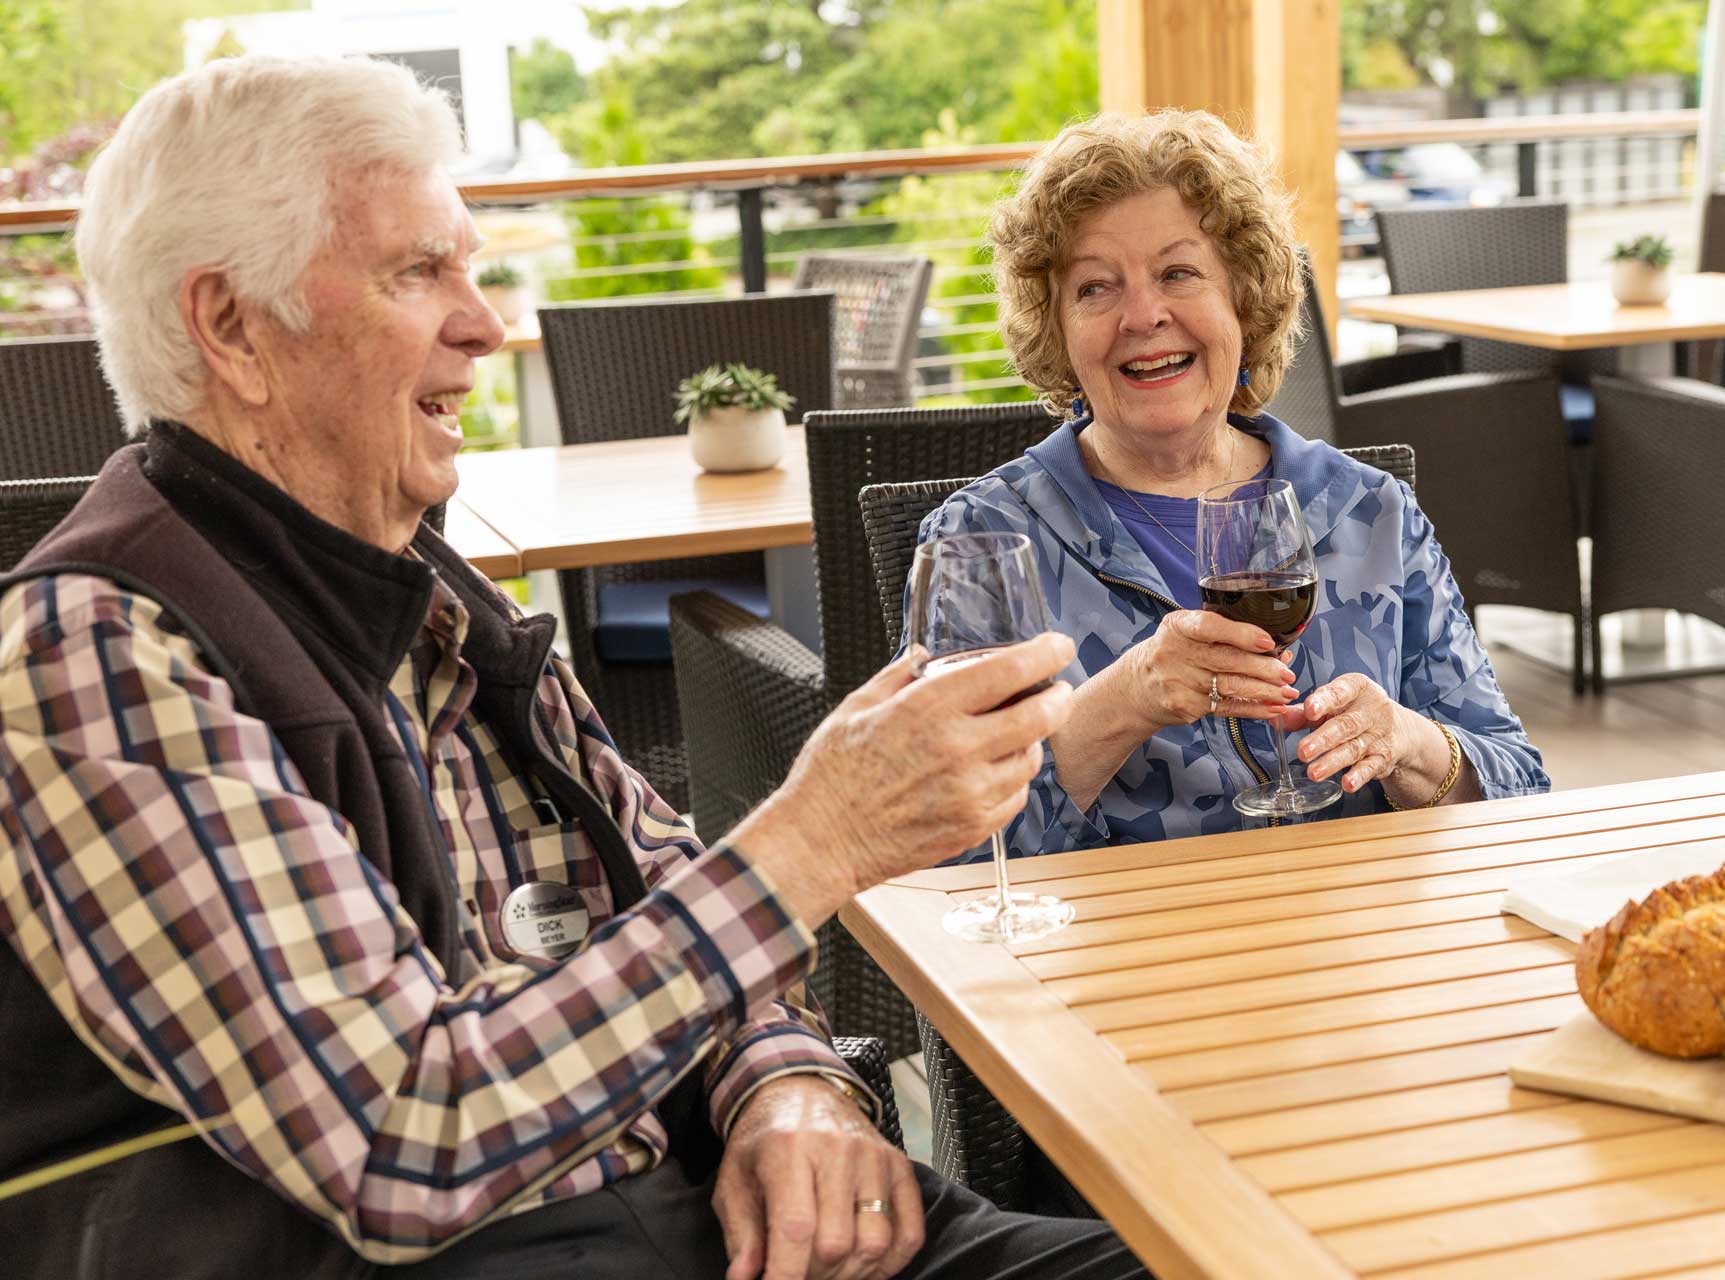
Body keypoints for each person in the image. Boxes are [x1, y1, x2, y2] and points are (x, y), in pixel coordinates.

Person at [0, 56, 1146, 1280]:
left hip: (713, 1198)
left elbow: (677, 883)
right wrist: (820, 835)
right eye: (416, 272)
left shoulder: (433, 592)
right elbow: (408, 1135)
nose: (484, 325)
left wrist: (788, 1085)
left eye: (470, 267)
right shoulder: (103, 658)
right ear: (230, 326)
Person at [911, 111, 1549, 857]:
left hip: (1362, 949)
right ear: (1055, 332)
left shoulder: (1368, 511)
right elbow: (942, 852)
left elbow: (1520, 793)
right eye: (1094, 288)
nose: (1144, 315)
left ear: (1243, 301)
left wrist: (1407, 743)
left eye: (1178, 273)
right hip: (1116, 961)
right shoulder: (983, 545)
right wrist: (1124, 700)